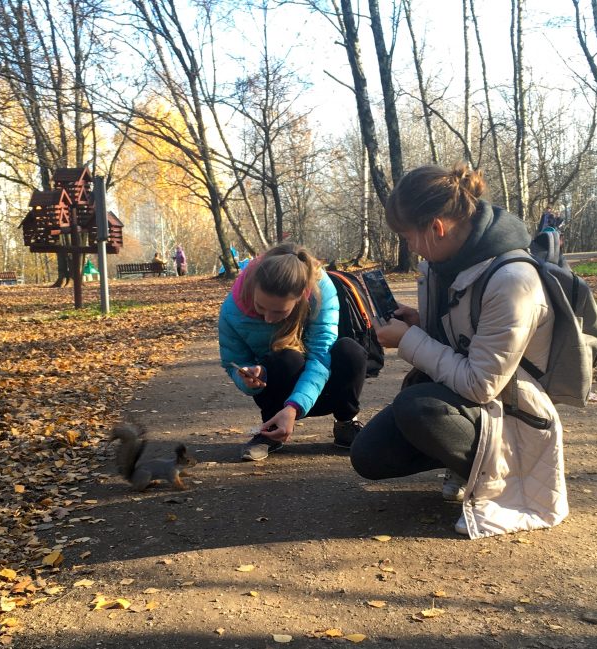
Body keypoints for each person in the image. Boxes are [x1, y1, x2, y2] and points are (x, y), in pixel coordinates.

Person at [349, 163, 567, 539]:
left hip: (511, 411)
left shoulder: (513, 281)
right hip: (469, 400)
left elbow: (481, 384)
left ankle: (493, 471)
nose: (410, 247)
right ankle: (464, 457)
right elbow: (460, 334)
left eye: (408, 236)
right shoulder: (439, 264)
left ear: (436, 228)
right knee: (368, 455)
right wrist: (419, 322)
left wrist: (408, 341)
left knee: (417, 406)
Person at [219, 242, 367, 461]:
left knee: (350, 351)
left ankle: (345, 423)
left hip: (323, 388)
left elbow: (321, 357)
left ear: (300, 297)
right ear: (253, 290)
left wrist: (294, 408)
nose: (268, 318)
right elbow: (233, 362)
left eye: (279, 311)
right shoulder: (232, 309)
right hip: (277, 387)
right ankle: (271, 430)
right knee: (285, 357)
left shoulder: (320, 290)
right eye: (260, 308)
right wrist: (248, 378)